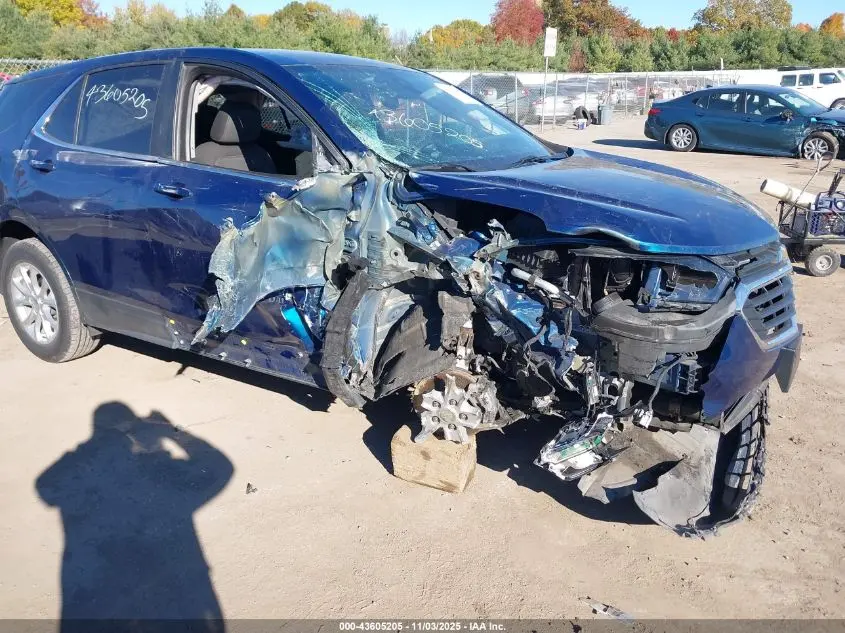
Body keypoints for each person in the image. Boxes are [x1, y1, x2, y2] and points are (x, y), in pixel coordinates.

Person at [36, 402, 234, 632]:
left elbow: (46, 485)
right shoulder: (163, 476)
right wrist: (172, 432)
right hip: (171, 607)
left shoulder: (85, 481)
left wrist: (101, 443)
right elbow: (220, 467)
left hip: (99, 605)